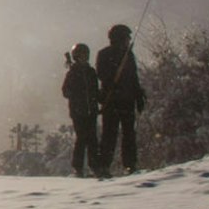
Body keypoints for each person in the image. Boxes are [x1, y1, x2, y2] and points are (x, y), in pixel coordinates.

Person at [94, 22, 147, 178]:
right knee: (109, 135)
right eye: (126, 38)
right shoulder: (104, 54)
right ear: (118, 38)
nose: (128, 41)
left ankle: (130, 164)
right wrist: (113, 80)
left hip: (127, 100)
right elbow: (101, 74)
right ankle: (104, 166)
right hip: (111, 101)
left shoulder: (128, 55)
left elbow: (134, 78)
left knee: (129, 134)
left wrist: (138, 96)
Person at [61, 42, 101, 178]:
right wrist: (78, 94)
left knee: (92, 139)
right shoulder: (72, 73)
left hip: (91, 110)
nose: (84, 57)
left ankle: (95, 166)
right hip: (79, 112)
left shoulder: (91, 72)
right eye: (81, 55)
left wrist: (97, 99)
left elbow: (95, 90)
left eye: (85, 55)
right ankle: (78, 168)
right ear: (76, 56)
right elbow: (65, 91)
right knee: (82, 139)